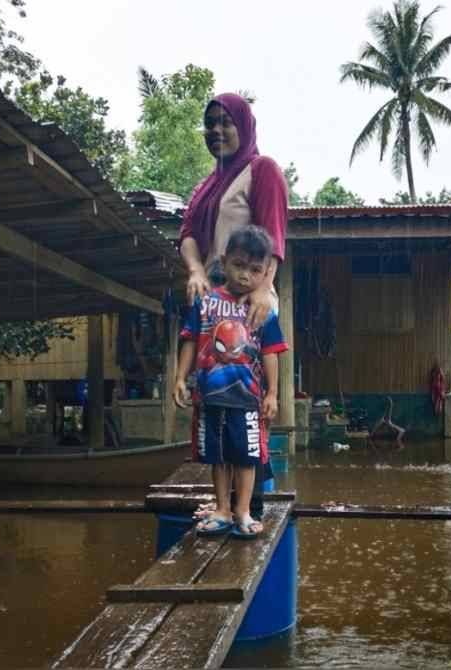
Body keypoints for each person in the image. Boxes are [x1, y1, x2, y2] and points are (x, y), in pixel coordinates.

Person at [179, 92, 289, 518]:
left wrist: (264, 287)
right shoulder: (206, 186)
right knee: (214, 402)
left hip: (251, 302)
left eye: (225, 122)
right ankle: (225, 505)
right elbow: (188, 233)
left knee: (247, 403)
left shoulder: (262, 170)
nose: (216, 131)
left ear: (244, 126)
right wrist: (195, 271)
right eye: (210, 123)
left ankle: (251, 507)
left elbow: (274, 233)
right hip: (214, 302)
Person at [174, 227, 288, 539]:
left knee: (247, 457)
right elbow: (189, 340)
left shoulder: (262, 310)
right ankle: (223, 508)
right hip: (209, 398)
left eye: (255, 270)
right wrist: (180, 378)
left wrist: (273, 394)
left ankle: (243, 510)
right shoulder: (205, 302)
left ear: (265, 273)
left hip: (247, 399)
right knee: (218, 456)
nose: (245, 276)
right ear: (224, 262)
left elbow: (271, 353)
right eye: (239, 266)